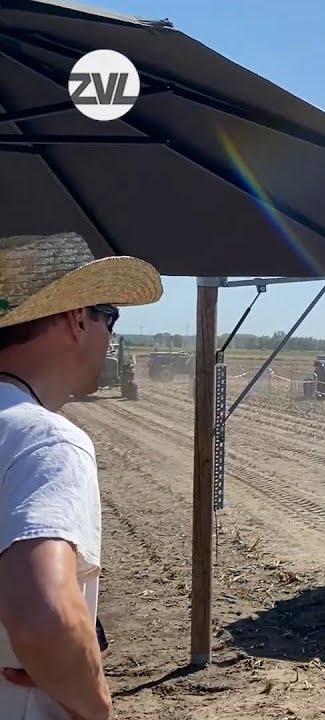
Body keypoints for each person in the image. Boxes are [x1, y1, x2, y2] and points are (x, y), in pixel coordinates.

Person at [0, 233, 163, 720]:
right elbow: (43, 615)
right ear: (76, 319)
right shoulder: (47, 441)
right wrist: (95, 701)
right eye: (108, 316)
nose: (110, 334)